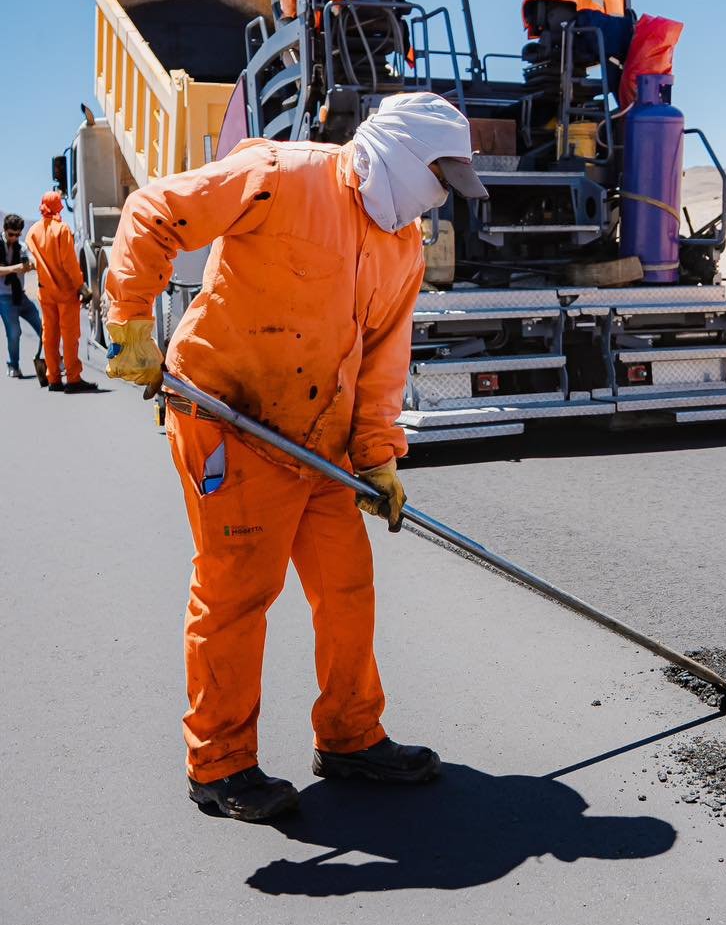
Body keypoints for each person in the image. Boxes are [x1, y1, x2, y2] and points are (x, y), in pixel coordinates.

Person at [104, 92, 489, 822]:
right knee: (237, 593)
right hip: (231, 423)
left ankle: (350, 736)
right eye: (438, 179)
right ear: (400, 155)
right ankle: (220, 763)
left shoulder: (402, 246)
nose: (439, 198)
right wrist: (128, 319)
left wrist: (377, 457)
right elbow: (155, 211)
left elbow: (384, 360)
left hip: (322, 445)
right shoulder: (282, 175)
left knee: (347, 589)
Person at [25, 192, 98, 394]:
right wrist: (81, 286)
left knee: (50, 335)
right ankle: (73, 379)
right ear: (58, 206)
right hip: (66, 292)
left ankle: (54, 378)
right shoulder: (62, 229)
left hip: (45, 292)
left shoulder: (33, 232)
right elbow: (69, 263)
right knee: (69, 335)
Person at [0, 213, 44, 378]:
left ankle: (53, 360)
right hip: (4, 297)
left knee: (43, 327)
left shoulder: (22, 247)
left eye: (17, 235)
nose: (14, 238)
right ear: (5, 230)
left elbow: (30, 259)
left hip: (21, 296)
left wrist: (30, 265)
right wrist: (16, 268)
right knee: (14, 332)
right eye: (11, 234)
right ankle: (13, 365)